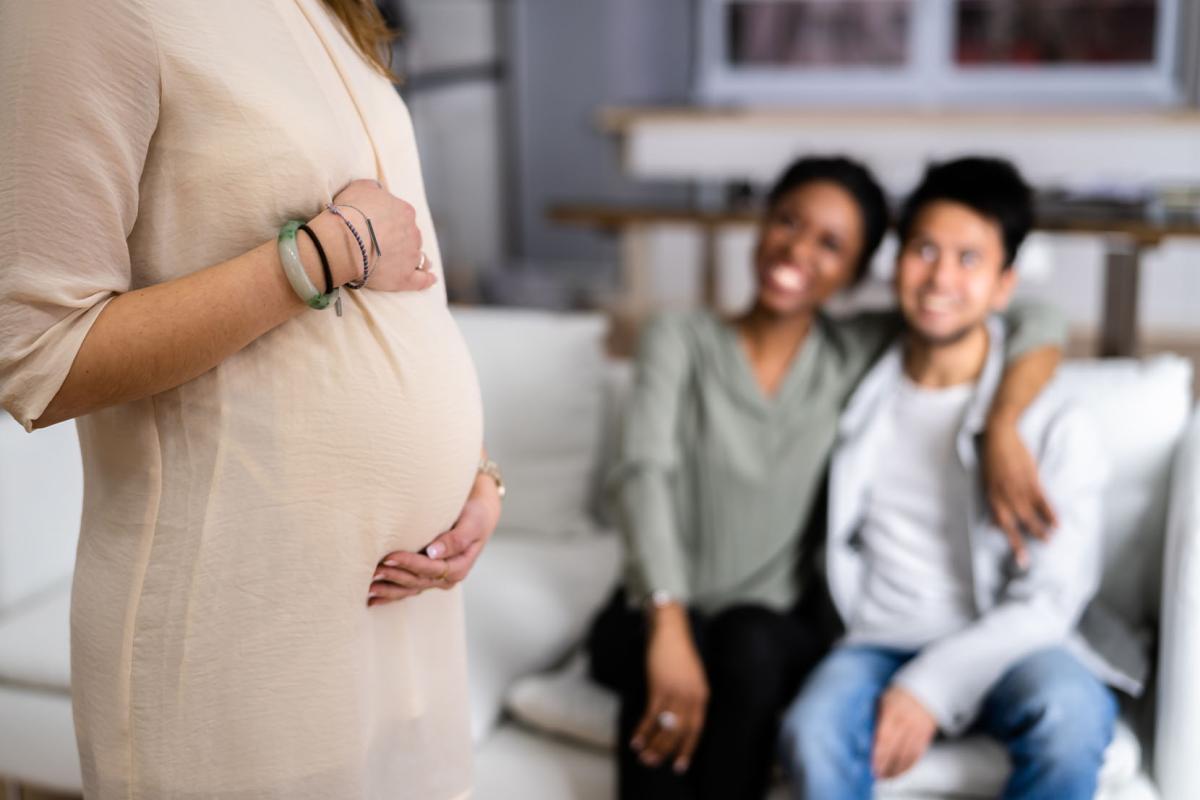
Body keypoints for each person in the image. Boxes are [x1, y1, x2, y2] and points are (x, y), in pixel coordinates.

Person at [0, 2, 502, 798]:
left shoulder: (330, 11)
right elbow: (38, 357)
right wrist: (328, 252)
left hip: (410, 620)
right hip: (240, 633)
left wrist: (473, 475)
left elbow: (410, 287)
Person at [586, 155, 1070, 799]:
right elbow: (642, 473)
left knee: (746, 643)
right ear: (762, 224)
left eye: (831, 244)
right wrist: (666, 624)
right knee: (683, 653)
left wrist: (1003, 424)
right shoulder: (679, 338)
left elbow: (1034, 321)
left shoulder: (853, 353)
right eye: (787, 221)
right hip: (655, 609)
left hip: (766, 628)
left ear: (856, 271)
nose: (798, 249)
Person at [777, 157, 1146, 800]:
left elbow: (1051, 599)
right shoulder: (856, 380)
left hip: (1014, 640)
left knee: (1070, 717)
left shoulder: (1052, 417)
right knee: (811, 732)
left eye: (969, 260)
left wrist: (929, 688)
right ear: (896, 262)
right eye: (923, 250)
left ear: (1005, 285)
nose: (941, 276)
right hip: (875, 638)